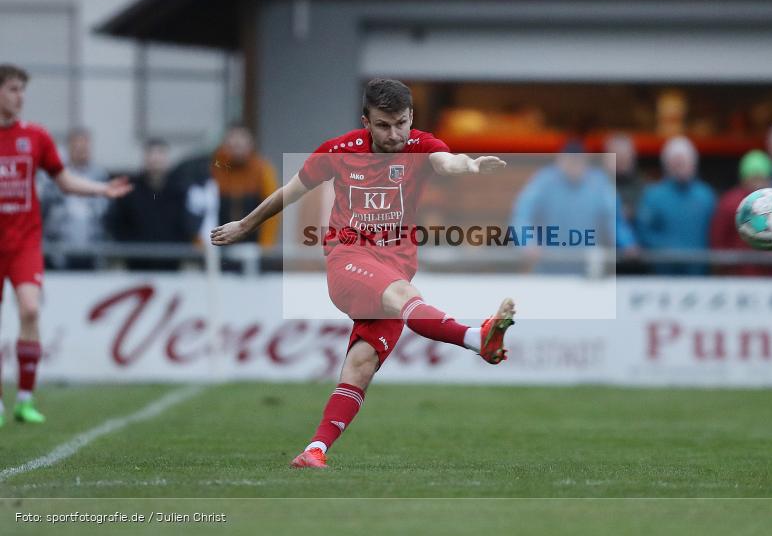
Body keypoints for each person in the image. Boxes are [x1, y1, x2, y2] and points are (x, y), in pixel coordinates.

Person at [211, 79, 516, 469]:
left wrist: (469, 166)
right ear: (366, 122)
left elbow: (446, 161)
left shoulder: (420, 146)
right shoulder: (338, 152)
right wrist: (245, 225)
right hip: (348, 260)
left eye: (401, 123)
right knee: (403, 296)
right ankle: (476, 338)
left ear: (411, 117)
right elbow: (290, 191)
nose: (395, 134)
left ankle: (315, 450)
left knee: (361, 363)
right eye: (384, 125)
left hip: (394, 266)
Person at [0, 64, 131, 426]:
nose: (20, 96)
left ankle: (24, 399)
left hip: (24, 243)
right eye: (12, 89)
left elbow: (64, 180)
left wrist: (102, 189)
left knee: (30, 310)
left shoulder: (35, 137)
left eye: (22, 89)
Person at [510, 139, 637, 274]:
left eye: (577, 161)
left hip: (587, 269)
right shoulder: (543, 182)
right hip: (549, 267)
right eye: (570, 161)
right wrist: (527, 242)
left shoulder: (600, 185)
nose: (573, 166)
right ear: (560, 160)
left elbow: (614, 219)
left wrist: (627, 243)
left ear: (585, 162)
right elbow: (522, 215)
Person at [105, 139, 195, 270]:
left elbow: (187, 225)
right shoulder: (130, 190)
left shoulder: (179, 191)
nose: (155, 160)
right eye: (152, 155)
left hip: (171, 264)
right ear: (145, 159)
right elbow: (116, 223)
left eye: (160, 155)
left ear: (166, 159)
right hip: (136, 264)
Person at [636, 136, 716, 275]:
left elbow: (716, 233)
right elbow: (644, 232)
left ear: (694, 164)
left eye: (685, 162)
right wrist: (668, 251)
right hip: (663, 274)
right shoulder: (653, 196)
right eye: (677, 163)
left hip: (699, 274)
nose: (681, 167)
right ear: (666, 165)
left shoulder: (706, 196)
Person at [709, 150, 772, 276]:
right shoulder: (729, 203)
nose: (758, 184)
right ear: (744, 179)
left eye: (762, 178)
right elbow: (718, 240)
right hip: (738, 277)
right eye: (754, 178)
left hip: (771, 277)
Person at [39, 127, 110, 269]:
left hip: (92, 251)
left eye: (85, 147)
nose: (81, 151)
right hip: (59, 251)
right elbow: (44, 208)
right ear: (69, 148)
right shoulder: (54, 175)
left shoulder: (100, 175)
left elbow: (106, 213)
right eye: (77, 146)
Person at [211, 124, 279, 247]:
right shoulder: (216, 168)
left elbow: (271, 209)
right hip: (218, 243)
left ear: (251, 144)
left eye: (241, 143)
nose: (237, 148)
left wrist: (265, 246)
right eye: (233, 144)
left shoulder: (262, 169)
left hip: (252, 244)